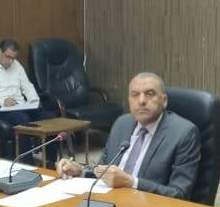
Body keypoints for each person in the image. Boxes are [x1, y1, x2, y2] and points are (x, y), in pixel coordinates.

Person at [56, 72, 200, 200]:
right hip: (109, 202)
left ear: (164, 100)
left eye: (149, 94)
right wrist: (80, 171)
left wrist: (131, 182)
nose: (141, 101)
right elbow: (104, 170)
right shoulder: (122, 123)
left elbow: (179, 194)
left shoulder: (183, 133)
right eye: (135, 94)